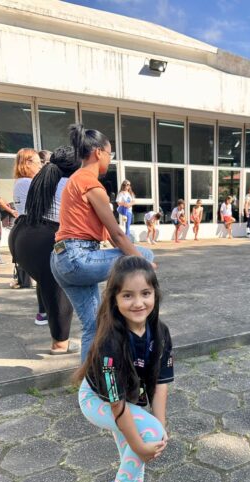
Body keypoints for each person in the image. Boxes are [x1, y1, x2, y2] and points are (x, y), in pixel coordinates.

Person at [75, 256, 172, 482]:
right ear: (114, 299)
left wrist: (160, 427)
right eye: (127, 295)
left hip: (128, 401)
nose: (138, 302)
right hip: (98, 401)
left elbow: (161, 383)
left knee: (137, 454)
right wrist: (148, 437)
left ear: (155, 294)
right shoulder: (110, 342)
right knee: (142, 442)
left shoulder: (160, 332)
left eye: (145, 293)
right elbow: (115, 405)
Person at [50, 123, 154, 363]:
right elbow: (117, 234)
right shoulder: (91, 183)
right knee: (145, 256)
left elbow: (105, 234)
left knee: (93, 326)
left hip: (61, 259)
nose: (110, 159)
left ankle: (88, 380)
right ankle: (135, 313)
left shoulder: (75, 180)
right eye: (110, 154)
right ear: (98, 152)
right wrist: (142, 262)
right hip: (77, 257)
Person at [8, 146, 80, 354]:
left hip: (23, 235)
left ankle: (43, 314)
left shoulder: (38, 181)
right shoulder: (70, 183)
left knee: (46, 282)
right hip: (46, 237)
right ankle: (60, 344)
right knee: (60, 287)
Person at [11, 149, 44, 327]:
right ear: (27, 163)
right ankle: (45, 312)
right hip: (32, 230)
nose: (40, 166)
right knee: (46, 276)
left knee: (42, 276)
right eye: (38, 162)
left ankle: (44, 312)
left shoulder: (21, 182)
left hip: (25, 230)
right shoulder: (27, 182)